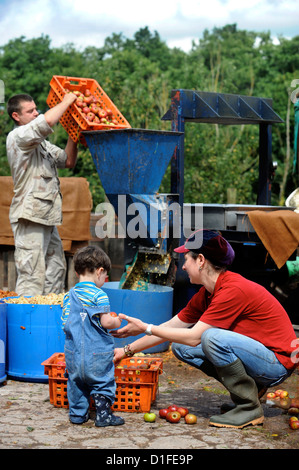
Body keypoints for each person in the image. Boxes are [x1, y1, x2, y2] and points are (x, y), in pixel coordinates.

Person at [112, 229, 299, 429]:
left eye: (186, 260)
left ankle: (248, 407)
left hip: (277, 363)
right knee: (180, 348)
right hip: (261, 357)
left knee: (211, 337)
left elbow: (194, 337)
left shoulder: (232, 290)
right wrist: (125, 350)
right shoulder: (207, 293)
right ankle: (250, 391)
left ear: (200, 260)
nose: (183, 266)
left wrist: (146, 327)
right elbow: (170, 327)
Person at [6, 92, 78, 296]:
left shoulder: (41, 144)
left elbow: (68, 161)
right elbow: (46, 121)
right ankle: (26, 325)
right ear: (16, 117)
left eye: (36, 108)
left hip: (45, 216)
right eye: (30, 111)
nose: (36, 113)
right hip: (29, 215)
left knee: (56, 269)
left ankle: (48, 320)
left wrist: (74, 134)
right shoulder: (18, 137)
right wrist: (66, 102)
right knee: (31, 275)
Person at [62, 245, 125, 427]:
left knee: (76, 383)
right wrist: (117, 321)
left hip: (73, 354)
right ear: (99, 272)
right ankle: (103, 416)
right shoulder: (100, 295)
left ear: (76, 272)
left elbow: (65, 324)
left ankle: (77, 415)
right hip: (96, 353)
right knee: (102, 381)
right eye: (105, 276)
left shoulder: (68, 296)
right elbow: (106, 322)